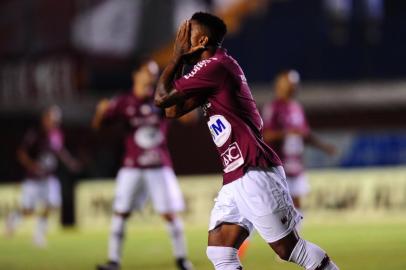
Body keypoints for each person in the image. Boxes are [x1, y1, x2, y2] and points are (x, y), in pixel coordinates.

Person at [155, 12, 339, 270]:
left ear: (202, 39)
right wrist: (183, 61)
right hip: (236, 174)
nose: (182, 38)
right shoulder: (210, 73)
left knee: (290, 249)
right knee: (220, 250)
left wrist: (176, 56)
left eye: (188, 33)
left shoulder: (215, 67)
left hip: (253, 169)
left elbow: (161, 99)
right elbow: (171, 110)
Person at [93, 58, 193, 270]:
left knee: (169, 213)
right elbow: (99, 126)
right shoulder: (124, 101)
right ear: (136, 75)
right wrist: (100, 112)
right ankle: (113, 261)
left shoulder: (161, 99)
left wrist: (182, 98)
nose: (152, 77)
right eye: (148, 72)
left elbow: (189, 119)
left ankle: (182, 259)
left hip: (159, 165)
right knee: (121, 212)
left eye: (155, 73)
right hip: (132, 167)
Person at [262, 70, 337, 217]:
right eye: (290, 84)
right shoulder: (273, 108)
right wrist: (287, 133)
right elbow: (266, 135)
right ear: (280, 85)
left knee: (296, 203)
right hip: (279, 165)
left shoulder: (296, 107)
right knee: (273, 206)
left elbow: (305, 134)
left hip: (295, 164)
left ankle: (294, 237)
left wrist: (324, 147)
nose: (293, 88)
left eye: (295, 85)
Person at [6, 105, 80, 247]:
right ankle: (14, 217)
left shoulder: (57, 134)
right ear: (45, 118)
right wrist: (32, 165)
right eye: (52, 119)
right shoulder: (35, 134)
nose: (55, 123)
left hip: (49, 176)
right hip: (33, 178)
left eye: (57, 120)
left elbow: (59, 150)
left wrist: (70, 162)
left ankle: (39, 235)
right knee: (29, 209)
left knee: (53, 204)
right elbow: (21, 153)